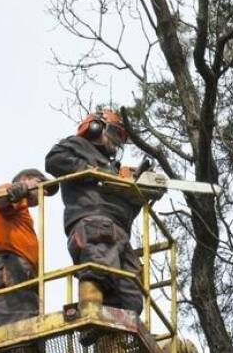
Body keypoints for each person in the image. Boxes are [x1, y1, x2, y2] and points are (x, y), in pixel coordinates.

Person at [45, 108, 157, 315]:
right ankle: (90, 315)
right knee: (98, 269)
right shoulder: (79, 146)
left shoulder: (115, 170)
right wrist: (93, 171)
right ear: (96, 127)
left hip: (121, 233)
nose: (116, 142)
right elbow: (53, 160)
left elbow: (127, 208)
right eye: (113, 134)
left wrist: (142, 192)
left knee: (131, 293)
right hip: (94, 221)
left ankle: (114, 340)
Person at [0, 168, 58, 332]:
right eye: (41, 185)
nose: (43, 193)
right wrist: (14, 191)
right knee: (27, 336)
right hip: (10, 272)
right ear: (26, 179)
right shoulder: (17, 201)